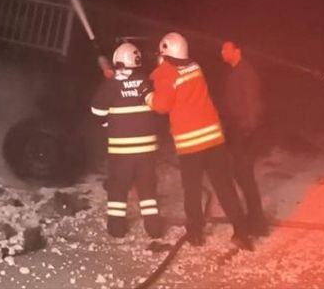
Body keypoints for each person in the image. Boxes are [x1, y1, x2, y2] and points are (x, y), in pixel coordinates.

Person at [146, 32, 253, 250]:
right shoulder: (195, 66)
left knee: (192, 189)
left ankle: (196, 232)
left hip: (191, 143)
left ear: (165, 52)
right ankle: (241, 232)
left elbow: (161, 106)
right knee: (224, 186)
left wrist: (147, 94)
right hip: (213, 138)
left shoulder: (166, 72)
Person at [90, 42, 164, 239]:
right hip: (147, 150)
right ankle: (154, 229)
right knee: (147, 188)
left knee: (118, 188)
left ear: (118, 61)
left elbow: (97, 112)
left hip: (122, 151)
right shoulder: (146, 81)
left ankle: (116, 229)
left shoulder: (111, 85)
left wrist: (108, 123)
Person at [219, 40, 268, 237]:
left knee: (244, 176)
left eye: (225, 48)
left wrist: (247, 130)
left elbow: (252, 103)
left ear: (237, 51)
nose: (222, 52)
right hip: (238, 131)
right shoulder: (237, 72)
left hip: (244, 132)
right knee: (242, 176)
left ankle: (257, 223)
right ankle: (255, 219)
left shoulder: (245, 73)